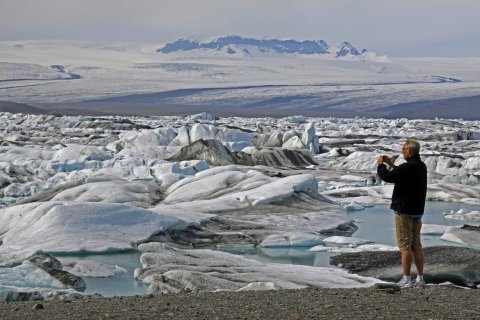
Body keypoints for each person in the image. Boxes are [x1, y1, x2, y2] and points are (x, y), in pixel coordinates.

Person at [377, 138, 427, 288]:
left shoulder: (408, 167)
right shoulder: (421, 166)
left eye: (404, 149)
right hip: (417, 211)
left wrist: (380, 165)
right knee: (416, 244)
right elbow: (401, 173)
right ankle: (420, 278)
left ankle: (406, 279)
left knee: (405, 245)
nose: (402, 151)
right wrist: (391, 164)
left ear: (410, 151)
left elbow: (387, 177)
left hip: (404, 211)